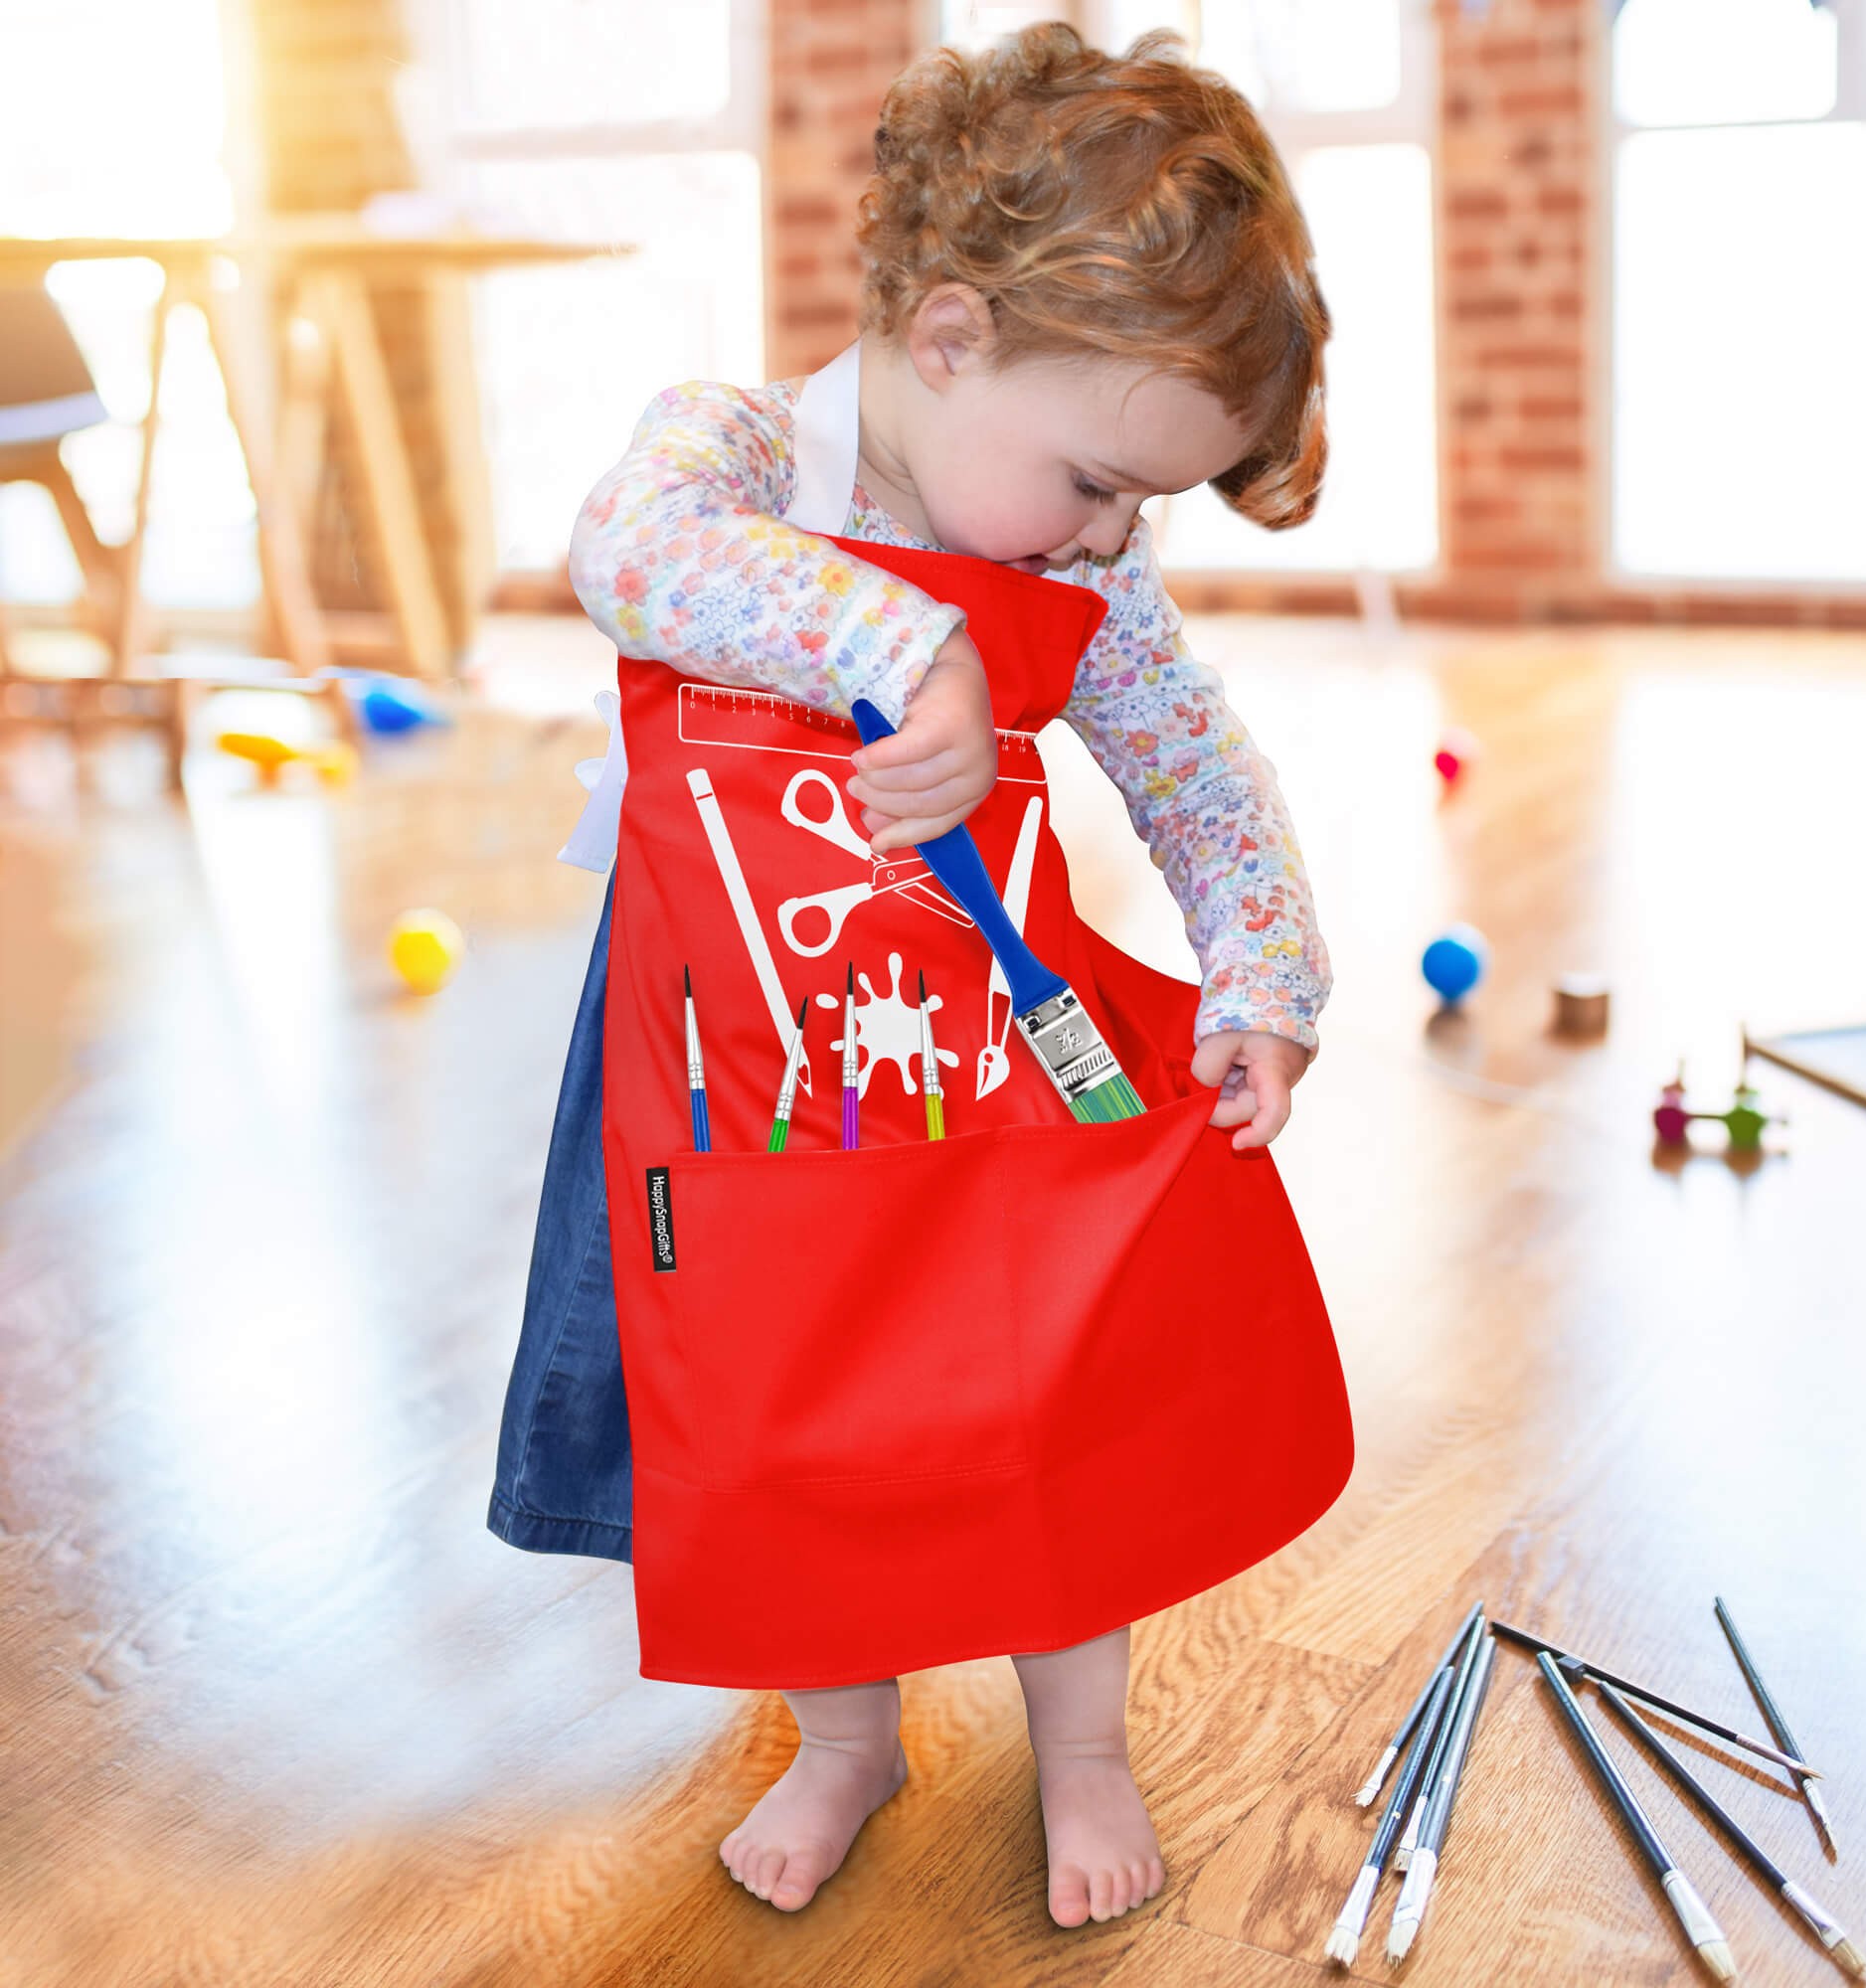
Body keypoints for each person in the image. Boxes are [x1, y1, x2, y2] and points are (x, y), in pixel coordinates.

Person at [490, 22, 1350, 1933]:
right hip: (744, 1072)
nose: (1115, 539)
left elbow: (1191, 761)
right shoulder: (732, 449)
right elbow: (625, 557)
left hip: (991, 1055)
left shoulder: (1086, 572)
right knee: (795, 1408)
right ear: (949, 336)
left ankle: (1086, 1741)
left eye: (1147, 512)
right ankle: (848, 1735)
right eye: (1100, 484)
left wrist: (1264, 972)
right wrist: (901, 640)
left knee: (1053, 1384)